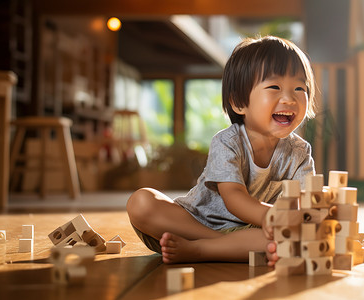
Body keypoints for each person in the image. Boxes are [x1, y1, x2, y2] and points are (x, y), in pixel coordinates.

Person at [126, 36, 317, 266]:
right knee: (141, 202)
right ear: (238, 102)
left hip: (253, 232)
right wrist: (269, 216)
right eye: (275, 87)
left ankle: (202, 251)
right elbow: (233, 198)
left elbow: (301, 204)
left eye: (300, 88)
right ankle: (218, 245)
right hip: (193, 225)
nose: (289, 98)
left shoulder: (300, 151)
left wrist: (303, 220)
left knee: (298, 233)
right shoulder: (227, 142)